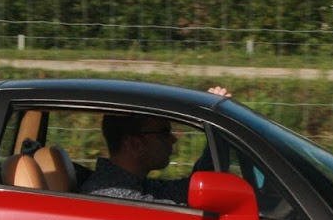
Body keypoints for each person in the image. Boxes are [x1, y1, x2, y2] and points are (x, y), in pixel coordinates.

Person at [79, 87, 230, 204]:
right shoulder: (119, 198)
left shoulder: (131, 184)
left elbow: (189, 191)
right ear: (135, 144)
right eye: (164, 132)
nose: (173, 139)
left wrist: (217, 124)